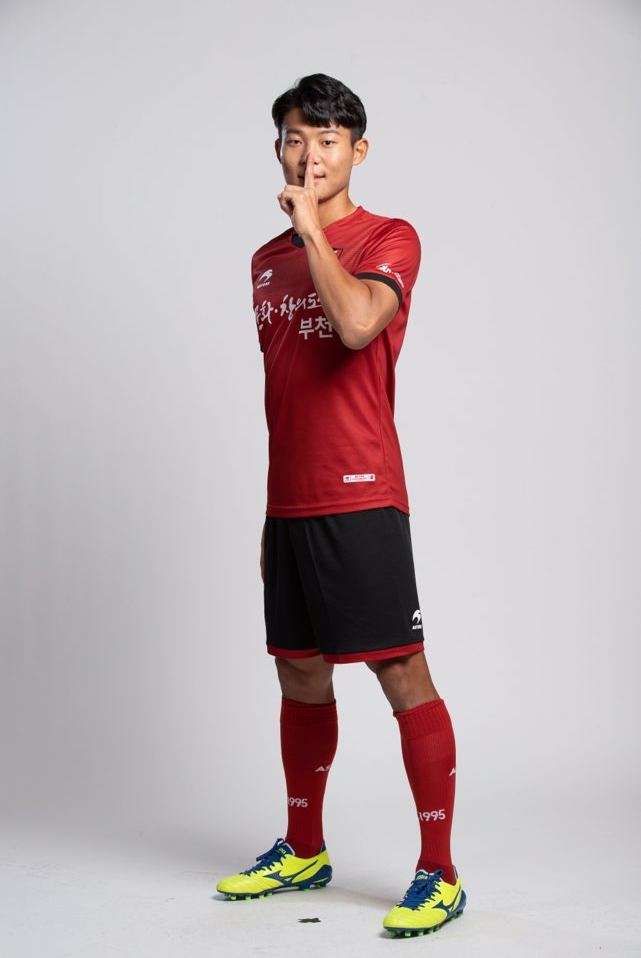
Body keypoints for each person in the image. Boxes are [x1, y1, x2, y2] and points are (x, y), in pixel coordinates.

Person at [216, 73, 465, 938]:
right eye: (295, 137)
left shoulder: (388, 237)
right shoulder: (264, 261)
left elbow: (358, 325)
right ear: (278, 148)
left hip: (362, 494)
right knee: (297, 669)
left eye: (327, 139)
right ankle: (303, 846)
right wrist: (271, 511)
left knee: (399, 672)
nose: (309, 153)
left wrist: (313, 230)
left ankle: (439, 870)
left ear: (357, 150)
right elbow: (285, 394)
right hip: (290, 502)